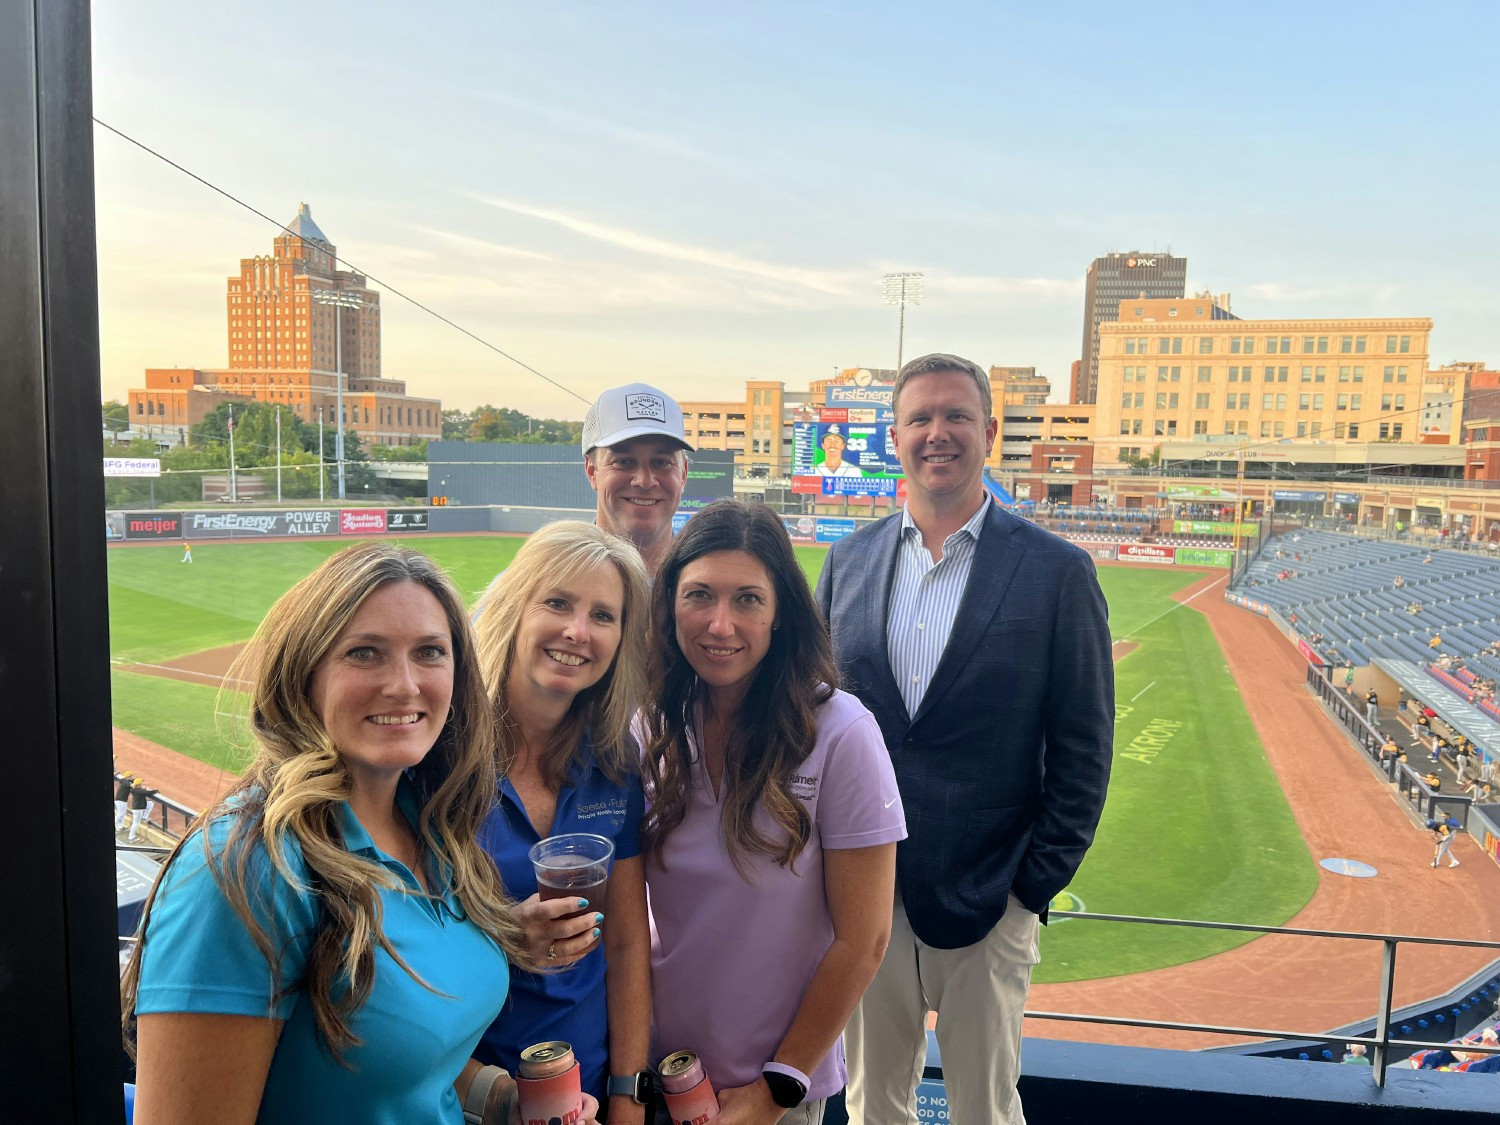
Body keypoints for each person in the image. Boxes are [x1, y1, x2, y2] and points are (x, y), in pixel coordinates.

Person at [123, 542, 594, 1125]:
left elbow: (385, 1053)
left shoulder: (434, 832)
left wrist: (499, 1098)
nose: (404, 685)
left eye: (429, 653)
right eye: (365, 653)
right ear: (305, 673)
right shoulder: (244, 869)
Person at [815, 353, 1113, 1125]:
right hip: (865, 894)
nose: (937, 433)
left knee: (986, 1109)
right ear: (896, 436)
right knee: (873, 1104)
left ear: (988, 432)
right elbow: (811, 721)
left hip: (990, 900)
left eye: (955, 416)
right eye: (919, 418)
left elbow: (1084, 749)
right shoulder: (848, 561)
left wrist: (1029, 889)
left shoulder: (1058, 572)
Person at [640, 499, 906, 1124]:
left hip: (772, 1096)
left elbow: (864, 940)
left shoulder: (841, 732)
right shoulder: (650, 726)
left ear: (782, 611)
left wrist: (774, 1091)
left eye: (748, 600)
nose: (720, 624)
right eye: (699, 595)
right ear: (670, 603)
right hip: (656, 1079)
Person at [470, 522, 654, 1121]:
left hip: (589, 1093)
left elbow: (625, 945)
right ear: (515, 607)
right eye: (557, 602)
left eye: (604, 615)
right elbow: (397, 944)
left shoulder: (614, 764)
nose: (579, 631)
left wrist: (626, 1092)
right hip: (463, 1087)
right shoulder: (441, 757)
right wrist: (502, 938)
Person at [582, 382, 693, 575]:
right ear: (592, 471)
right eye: (624, 462)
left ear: (683, 474)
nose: (645, 481)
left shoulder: (710, 590)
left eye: (661, 463)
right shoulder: (543, 584)